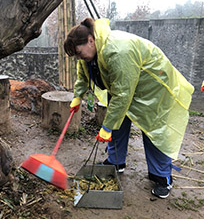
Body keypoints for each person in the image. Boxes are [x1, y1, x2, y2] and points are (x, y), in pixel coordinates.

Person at [65, 18, 194, 199]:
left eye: (78, 53)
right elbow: (83, 73)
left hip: (152, 87)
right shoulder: (89, 52)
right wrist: (77, 96)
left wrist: (106, 127)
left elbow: (123, 95)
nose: (79, 58)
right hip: (123, 86)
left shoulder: (118, 51)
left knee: (153, 129)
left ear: (90, 41)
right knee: (117, 121)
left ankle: (162, 176)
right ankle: (116, 162)